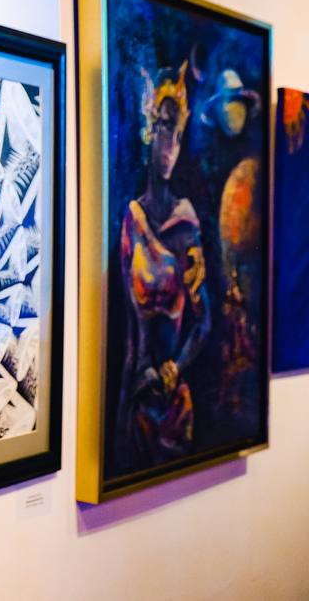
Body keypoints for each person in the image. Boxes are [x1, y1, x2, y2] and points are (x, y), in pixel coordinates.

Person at [117, 62, 211, 467]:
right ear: (148, 131)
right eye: (165, 129)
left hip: (172, 408)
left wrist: (172, 369)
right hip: (136, 397)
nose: (171, 145)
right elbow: (128, 325)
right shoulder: (132, 219)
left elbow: (203, 321)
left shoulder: (185, 223)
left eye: (178, 134)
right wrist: (131, 388)